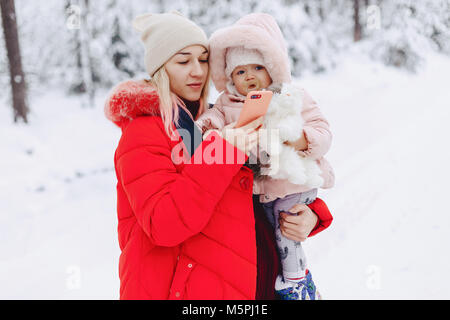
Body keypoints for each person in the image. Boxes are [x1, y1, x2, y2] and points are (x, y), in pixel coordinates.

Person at [104, 11, 333, 300]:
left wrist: (311, 213)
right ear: (161, 68)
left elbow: (258, 184)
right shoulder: (144, 132)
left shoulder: (216, 117)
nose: (198, 71)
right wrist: (224, 152)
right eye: (183, 61)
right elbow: (164, 224)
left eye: (203, 59)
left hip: (250, 283)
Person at [195, 13, 335, 300]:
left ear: (273, 67)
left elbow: (323, 131)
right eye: (240, 72)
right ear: (230, 77)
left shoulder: (290, 96)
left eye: (258, 67)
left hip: (292, 182)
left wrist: (300, 138)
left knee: (287, 234)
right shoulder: (227, 103)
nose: (250, 77)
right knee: (276, 236)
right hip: (260, 194)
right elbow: (213, 119)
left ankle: (295, 282)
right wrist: (208, 127)